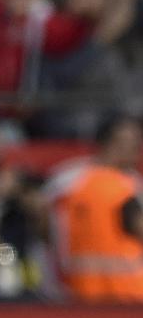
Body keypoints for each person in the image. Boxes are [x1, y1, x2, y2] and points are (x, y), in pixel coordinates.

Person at [51, 116, 143, 303]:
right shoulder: (128, 186)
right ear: (107, 143)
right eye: (130, 142)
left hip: (81, 289)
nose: (136, 150)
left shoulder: (67, 178)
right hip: (124, 291)